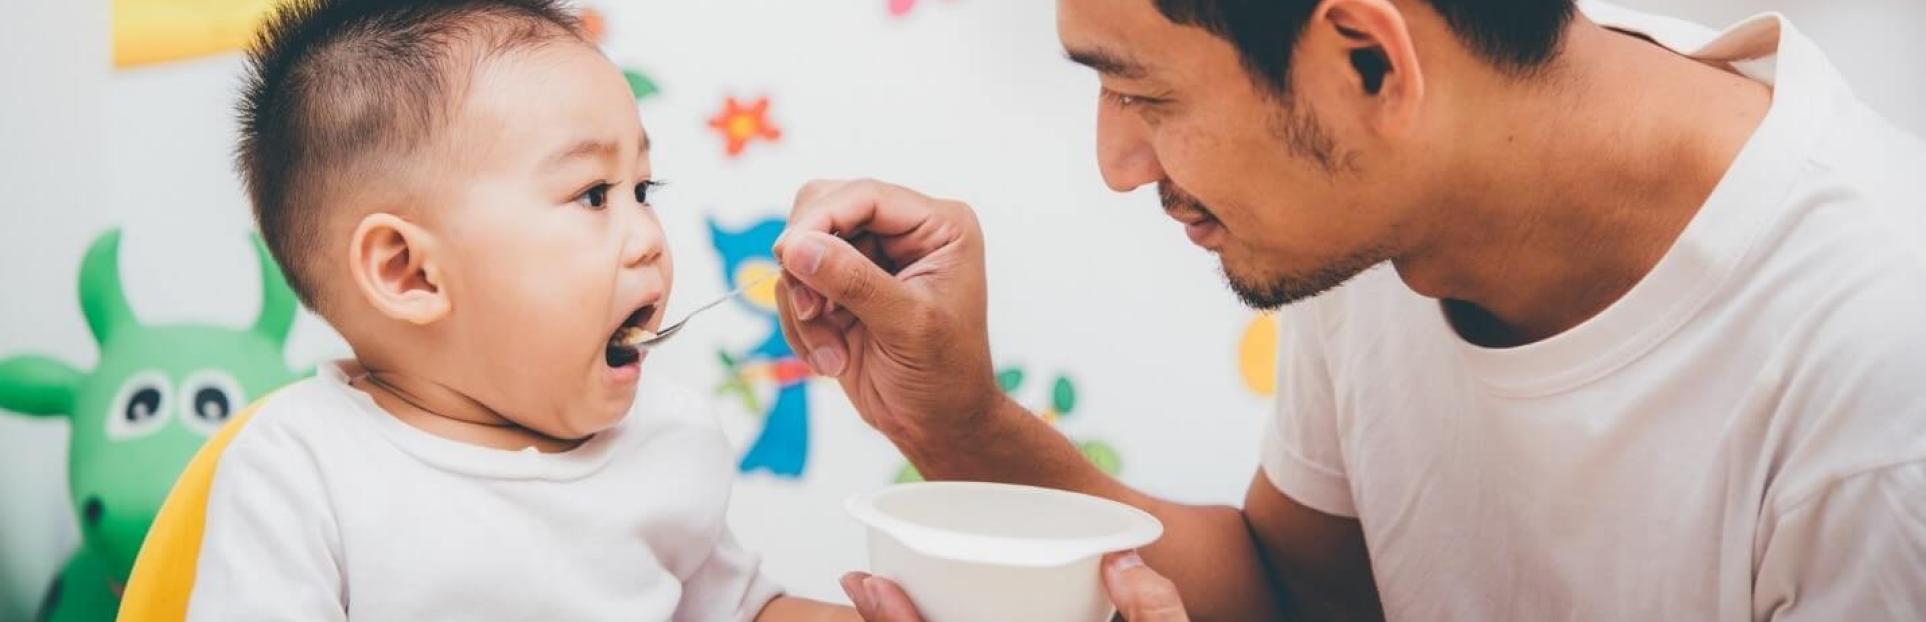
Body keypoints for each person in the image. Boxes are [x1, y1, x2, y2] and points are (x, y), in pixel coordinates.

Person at [774, 0, 1926, 619]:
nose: (1119, 161)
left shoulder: (1878, 397)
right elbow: (1305, 594)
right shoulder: (1389, 198)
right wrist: (958, 422)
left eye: (1143, 90)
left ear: (1370, 61)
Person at [186, 0, 859, 618]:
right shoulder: (300, 471)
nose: (651, 238)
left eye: (642, 189)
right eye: (595, 195)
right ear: (410, 271)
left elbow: (741, 610)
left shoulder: (665, 439)